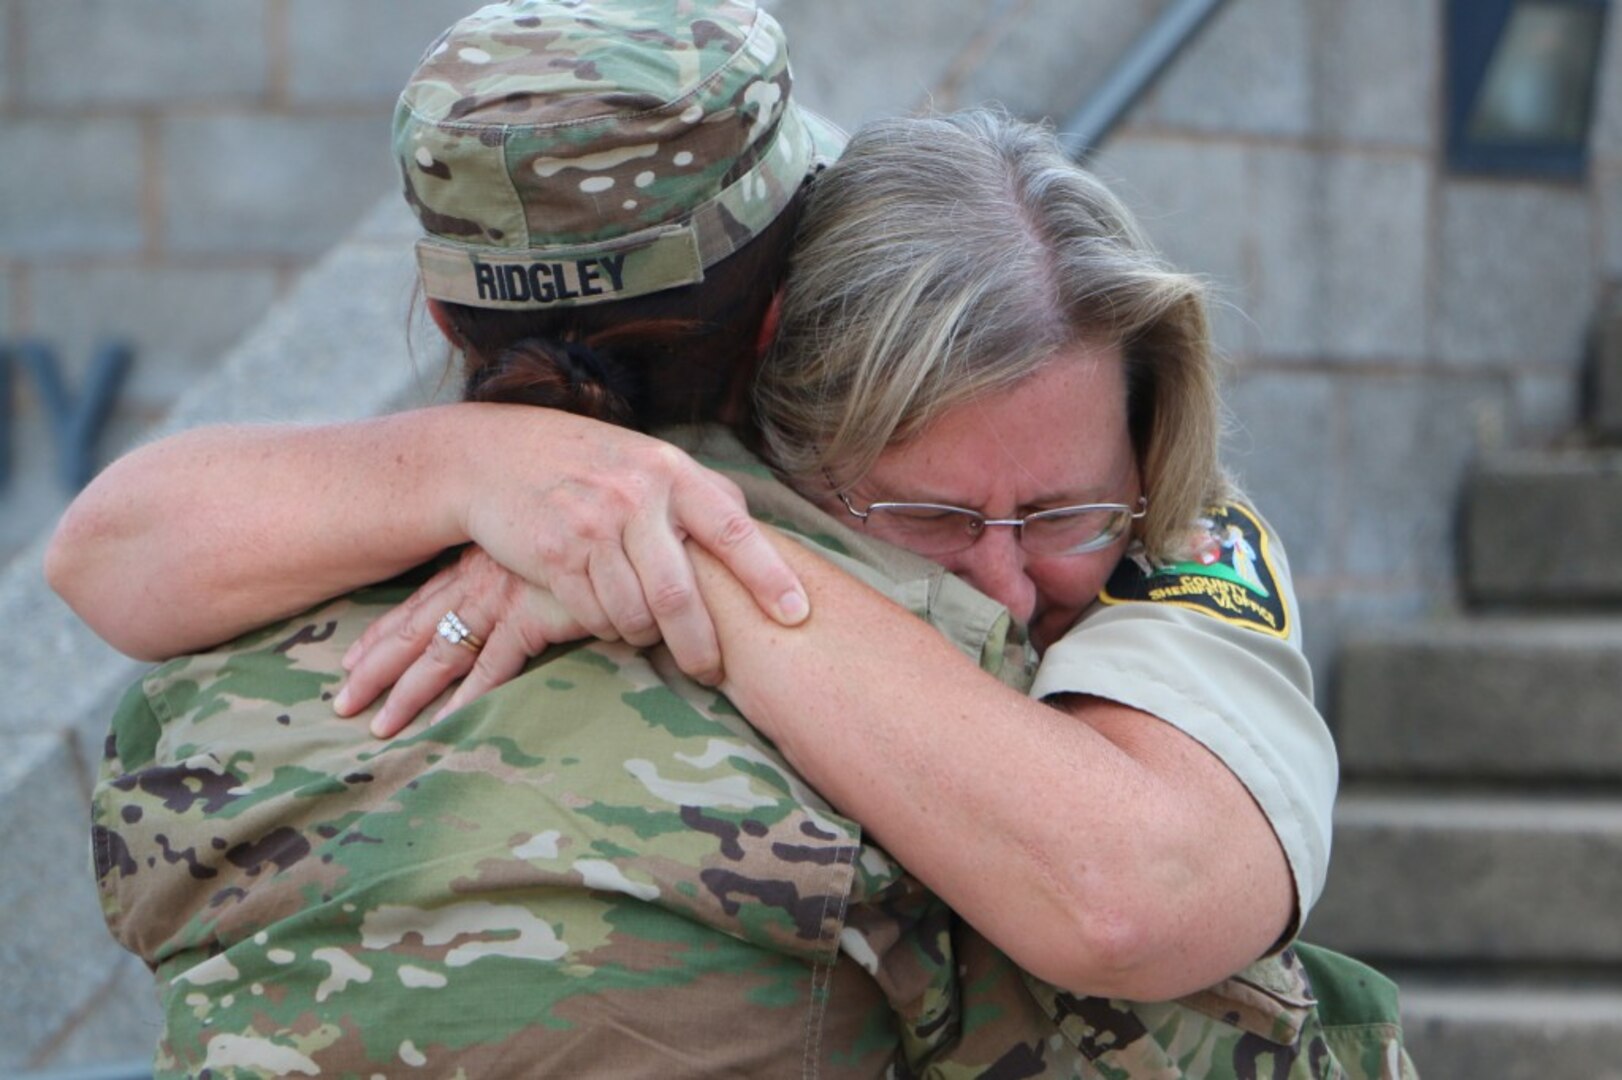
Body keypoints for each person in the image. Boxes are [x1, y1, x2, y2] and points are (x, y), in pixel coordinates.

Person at [68, 2, 1412, 1075]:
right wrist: (508, 470)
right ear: (781, 365)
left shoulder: (1173, 528)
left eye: (1063, 514)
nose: (1009, 576)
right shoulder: (508, 507)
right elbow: (100, 553)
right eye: (932, 520)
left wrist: (677, 553)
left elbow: (1137, 896)